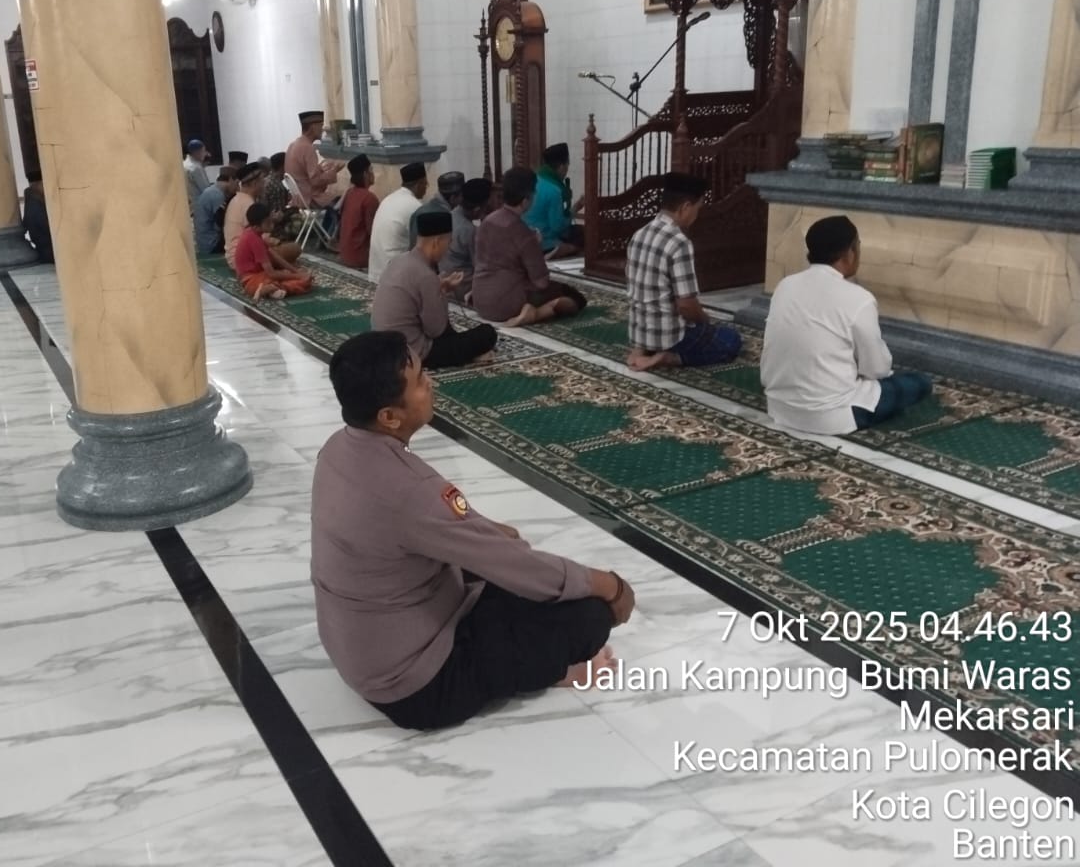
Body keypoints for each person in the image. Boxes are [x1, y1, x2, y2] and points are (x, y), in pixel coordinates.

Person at [311, 331, 635, 730]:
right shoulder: (410, 489)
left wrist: (491, 538)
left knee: (507, 557)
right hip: (418, 689)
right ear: (389, 417)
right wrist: (609, 586)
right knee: (587, 616)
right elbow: (514, 563)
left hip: (365, 653)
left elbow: (434, 530)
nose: (430, 383)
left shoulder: (336, 449)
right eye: (419, 380)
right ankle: (552, 670)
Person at [761, 215, 933, 434]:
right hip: (831, 416)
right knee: (919, 383)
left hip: (778, 407)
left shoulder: (785, 285)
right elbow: (877, 369)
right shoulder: (859, 299)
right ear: (849, 252)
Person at [626, 172, 741, 371]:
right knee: (730, 340)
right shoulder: (678, 242)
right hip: (670, 337)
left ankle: (643, 349)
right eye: (697, 208)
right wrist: (705, 322)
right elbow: (686, 306)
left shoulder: (639, 234)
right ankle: (670, 358)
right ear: (685, 207)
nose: (697, 214)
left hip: (640, 331)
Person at [372, 211, 498, 369]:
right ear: (437, 242)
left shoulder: (398, 261)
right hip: (413, 353)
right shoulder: (425, 275)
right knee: (487, 333)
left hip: (383, 346)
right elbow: (436, 330)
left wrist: (438, 287)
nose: (448, 248)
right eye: (448, 242)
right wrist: (439, 293)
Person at [471, 166, 587, 326]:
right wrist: (535, 246)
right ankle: (535, 314)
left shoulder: (487, 222)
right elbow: (541, 281)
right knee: (575, 299)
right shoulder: (523, 232)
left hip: (480, 299)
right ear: (526, 200)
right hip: (507, 304)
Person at [225, 162, 302, 269]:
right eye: (262, 180)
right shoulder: (248, 204)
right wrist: (276, 240)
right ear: (255, 183)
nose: (265, 184)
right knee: (295, 248)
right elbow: (259, 238)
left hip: (235, 255)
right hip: (244, 258)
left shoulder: (236, 199)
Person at [235, 202, 313, 300]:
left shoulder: (252, 232)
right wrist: (298, 276)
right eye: (268, 223)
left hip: (257, 275)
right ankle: (271, 289)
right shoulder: (255, 240)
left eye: (271, 221)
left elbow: (275, 256)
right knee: (302, 282)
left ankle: (272, 289)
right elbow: (271, 273)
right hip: (251, 279)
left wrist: (295, 271)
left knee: (286, 273)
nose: (271, 225)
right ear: (256, 227)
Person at [367, 162, 427, 282]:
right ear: (419, 184)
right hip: (394, 277)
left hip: (375, 271)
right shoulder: (415, 206)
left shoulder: (389, 198)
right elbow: (422, 247)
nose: (427, 187)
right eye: (425, 183)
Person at [438, 177, 493, 303]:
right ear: (478, 209)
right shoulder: (469, 230)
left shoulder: (449, 216)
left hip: (446, 280)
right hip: (463, 288)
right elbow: (481, 267)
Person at [525, 143, 584, 259]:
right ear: (562, 167)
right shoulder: (554, 190)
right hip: (543, 242)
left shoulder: (534, 179)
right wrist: (576, 208)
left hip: (523, 238)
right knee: (581, 240)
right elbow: (558, 227)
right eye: (567, 165)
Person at [285, 110, 343, 207]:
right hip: (310, 199)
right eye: (321, 125)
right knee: (346, 201)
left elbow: (303, 174)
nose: (322, 129)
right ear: (313, 127)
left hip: (298, 198)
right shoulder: (307, 148)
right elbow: (315, 181)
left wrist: (320, 169)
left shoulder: (292, 145)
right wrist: (334, 171)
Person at [339, 154, 379, 269]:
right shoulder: (369, 198)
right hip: (360, 256)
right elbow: (373, 232)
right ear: (365, 174)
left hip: (344, 255)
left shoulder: (349, 193)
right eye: (371, 170)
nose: (373, 174)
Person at [408, 171, 464, 248]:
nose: (463, 199)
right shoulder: (445, 218)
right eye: (462, 196)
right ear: (453, 198)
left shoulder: (420, 211)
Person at [192, 166, 239, 256]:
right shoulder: (217, 195)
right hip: (211, 243)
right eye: (237, 184)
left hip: (203, 242)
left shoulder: (211, 190)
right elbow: (222, 224)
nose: (237, 189)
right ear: (230, 180)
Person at [22, 173, 54, 264]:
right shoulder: (35, 203)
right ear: (39, 184)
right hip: (47, 248)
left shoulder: (31, 200)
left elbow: (24, 225)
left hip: (42, 247)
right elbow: (45, 226)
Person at [183, 139, 212, 207]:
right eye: (203, 151)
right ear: (197, 152)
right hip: (198, 205)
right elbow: (205, 189)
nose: (205, 154)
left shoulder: (183, 164)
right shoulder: (196, 168)